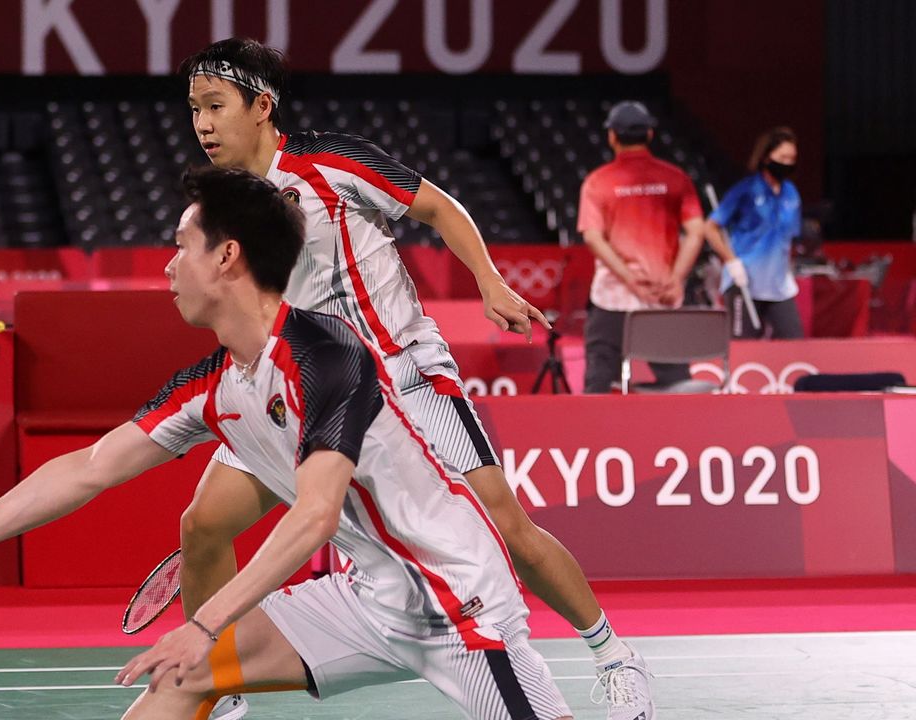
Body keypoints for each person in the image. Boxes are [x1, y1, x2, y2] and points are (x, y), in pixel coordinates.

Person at [0, 166, 573, 720]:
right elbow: (88, 469)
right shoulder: (214, 384)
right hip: (365, 599)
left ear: (226, 256)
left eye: (180, 248)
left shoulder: (329, 353)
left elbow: (313, 518)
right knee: (182, 682)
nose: (166, 269)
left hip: (461, 604)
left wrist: (204, 623)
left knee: (194, 653)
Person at [174, 39, 652, 719]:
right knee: (203, 524)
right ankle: (219, 695)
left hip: (403, 373)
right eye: (195, 109)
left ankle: (613, 655)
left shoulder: (330, 163)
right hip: (312, 392)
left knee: (507, 527)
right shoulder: (223, 204)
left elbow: (439, 207)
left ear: (262, 106)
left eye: (216, 106)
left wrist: (489, 282)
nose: (204, 124)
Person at [577, 100, 705, 394]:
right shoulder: (676, 178)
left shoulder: (598, 182)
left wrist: (629, 278)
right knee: (677, 385)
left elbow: (593, 238)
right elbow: (696, 232)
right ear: (649, 134)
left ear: (612, 136)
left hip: (612, 299)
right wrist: (676, 279)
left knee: (598, 384)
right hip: (662, 298)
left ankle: (593, 438)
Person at [703, 127, 804, 338]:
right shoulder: (746, 190)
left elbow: (790, 238)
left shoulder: (791, 193)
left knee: (795, 342)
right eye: (782, 157)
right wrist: (730, 261)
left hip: (779, 286)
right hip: (744, 282)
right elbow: (710, 227)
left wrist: (789, 268)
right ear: (766, 157)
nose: (787, 163)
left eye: (792, 158)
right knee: (745, 347)